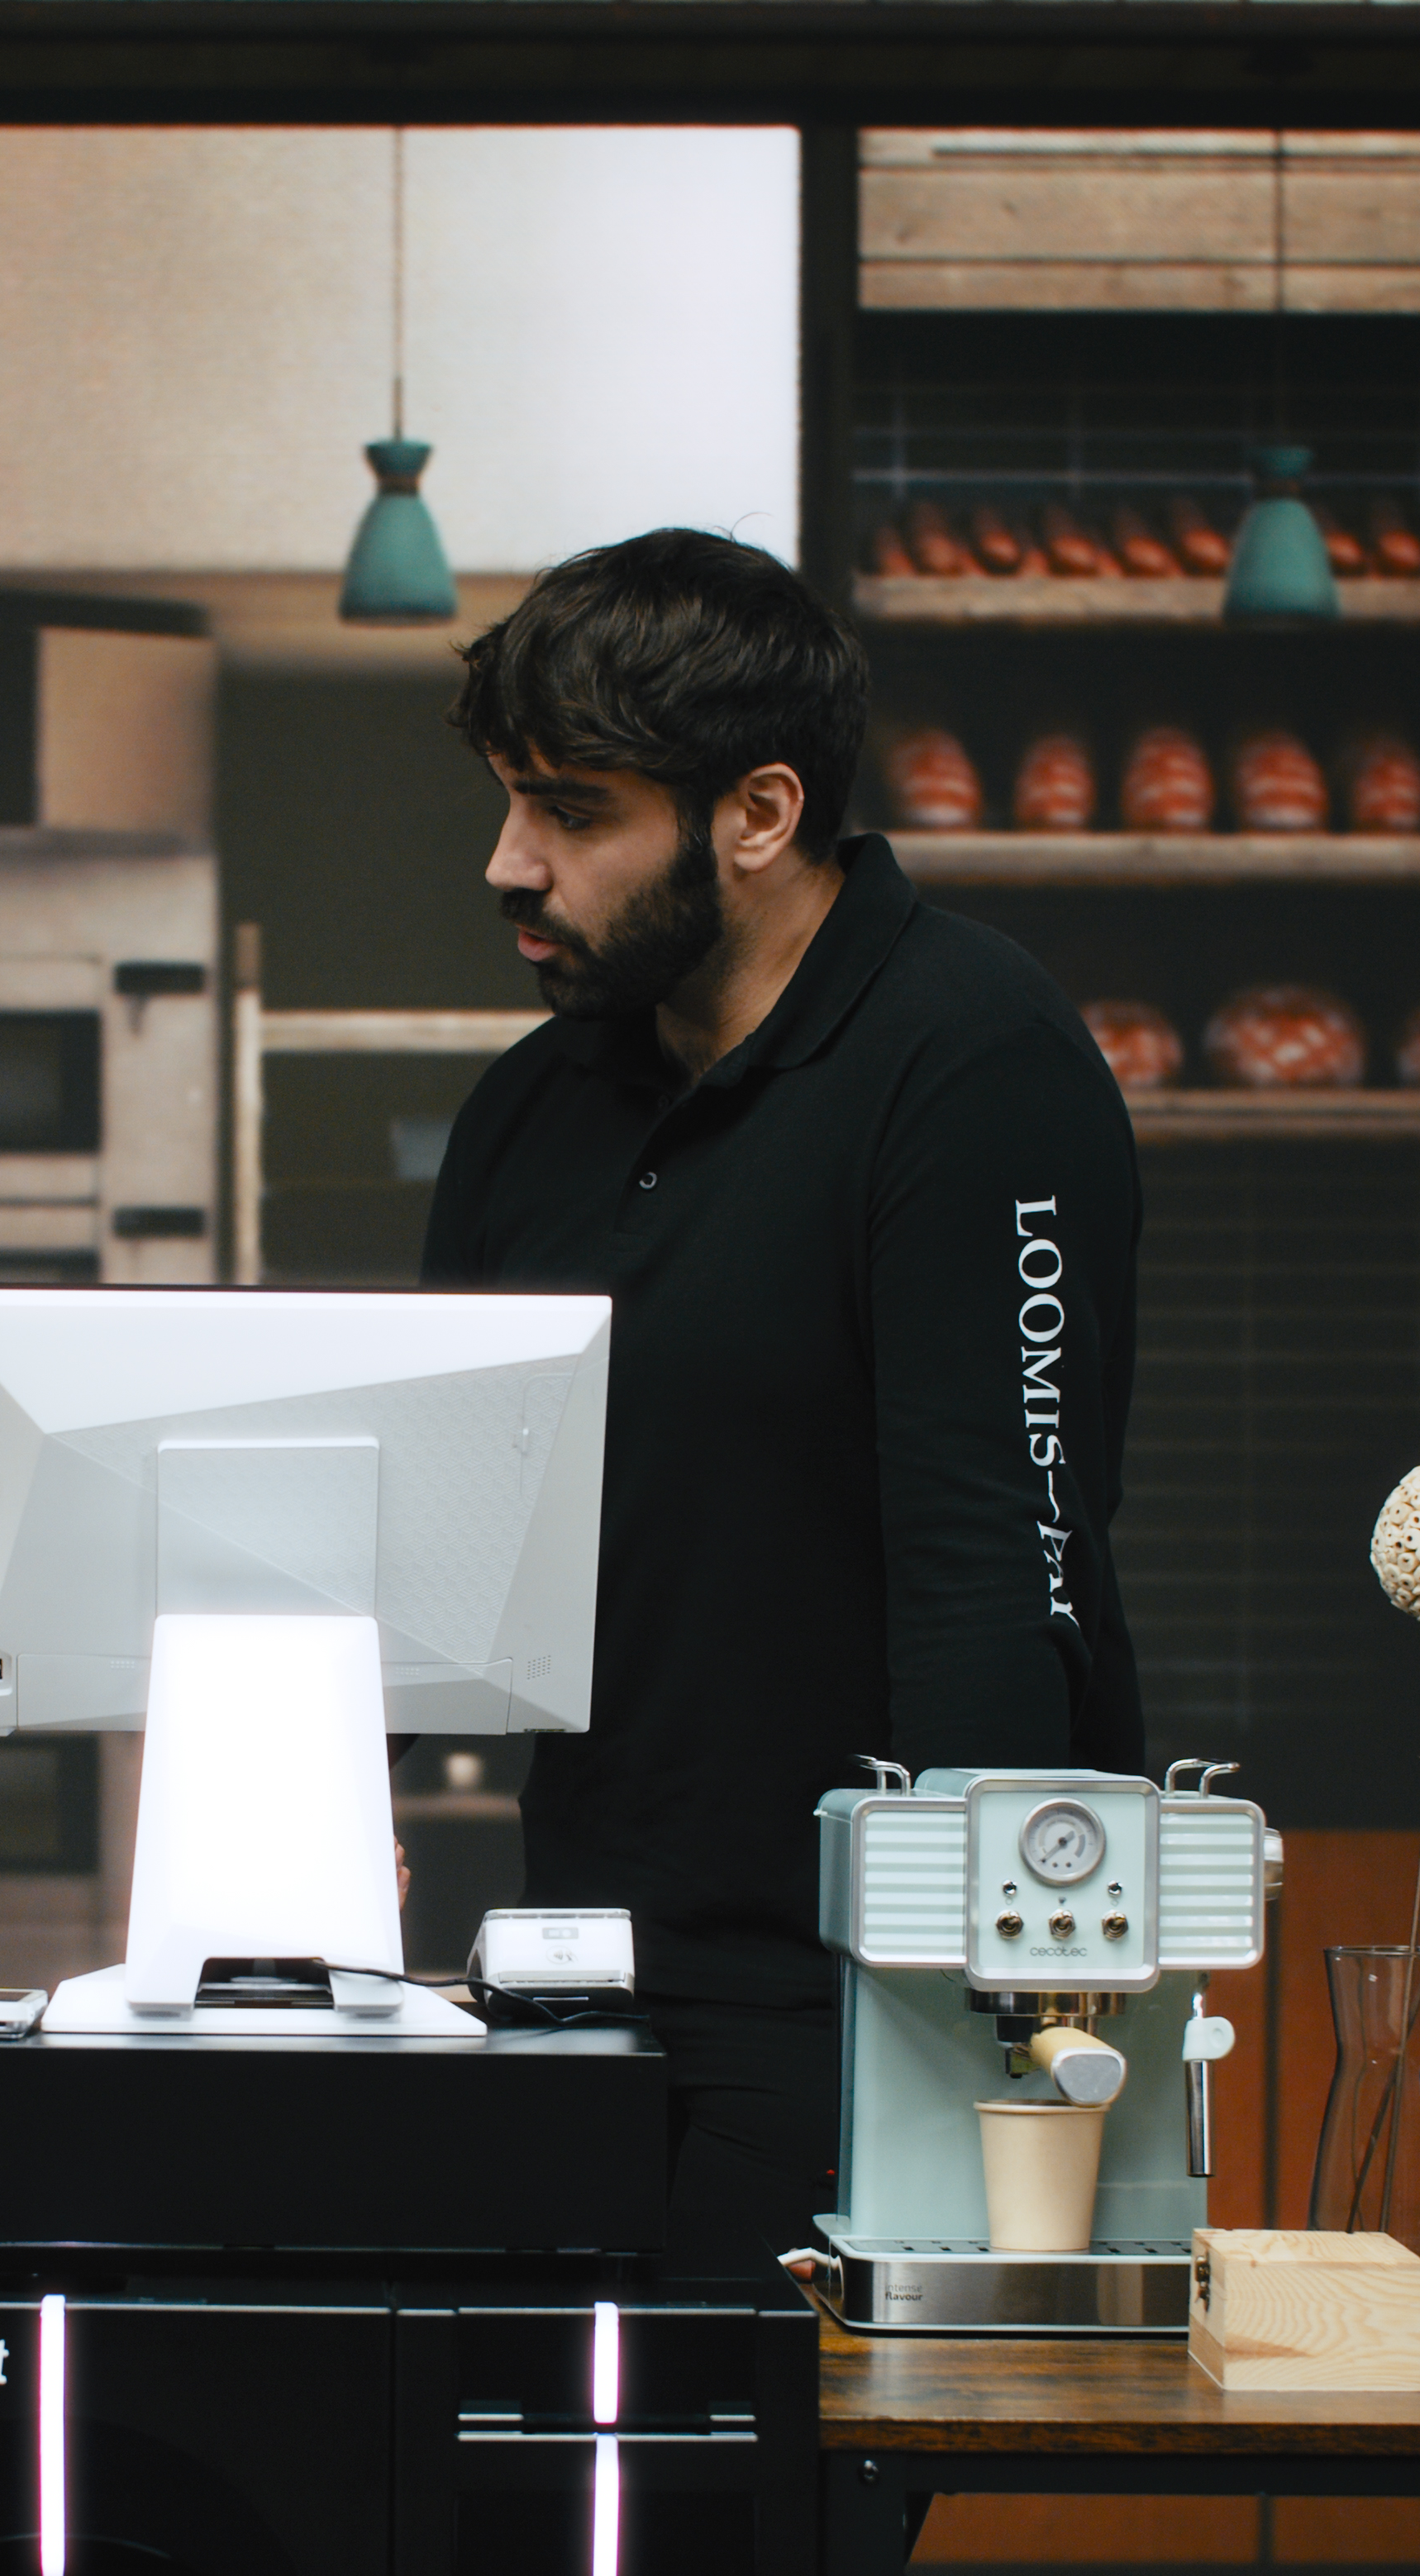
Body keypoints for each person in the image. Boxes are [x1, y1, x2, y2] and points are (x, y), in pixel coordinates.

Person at [419, 531, 1147, 2260]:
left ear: (755, 813)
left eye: (574, 812)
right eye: (510, 803)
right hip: (577, 1981)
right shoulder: (534, 1111)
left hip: (862, 2013)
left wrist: (993, 2044)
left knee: (776, 2532)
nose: (510, 867)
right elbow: (448, 1554)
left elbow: (999, 1570)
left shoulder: (971, 1057)